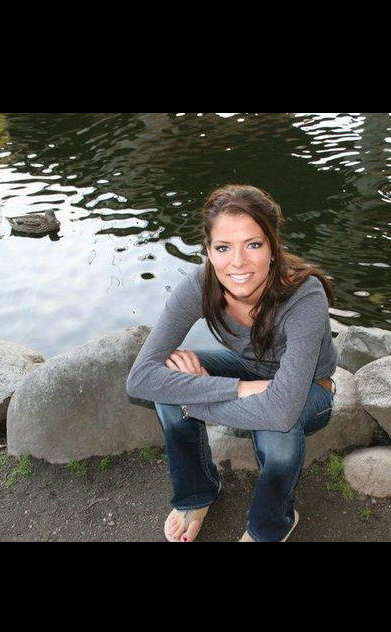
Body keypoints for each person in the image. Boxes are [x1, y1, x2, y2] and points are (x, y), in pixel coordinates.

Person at [126, 184, 338, 542]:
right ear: (208, 250)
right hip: (250, 373)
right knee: (170, 375)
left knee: (277, 429)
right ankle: (197, 492)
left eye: (253, 244)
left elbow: (281, 410)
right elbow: (140, 378)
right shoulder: (200, 284)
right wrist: (240, 388)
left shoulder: (305, 295)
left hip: (310, 390)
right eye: (223, 247)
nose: (237, 262)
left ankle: (273, 523)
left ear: (273, 246)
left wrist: (193, 401)